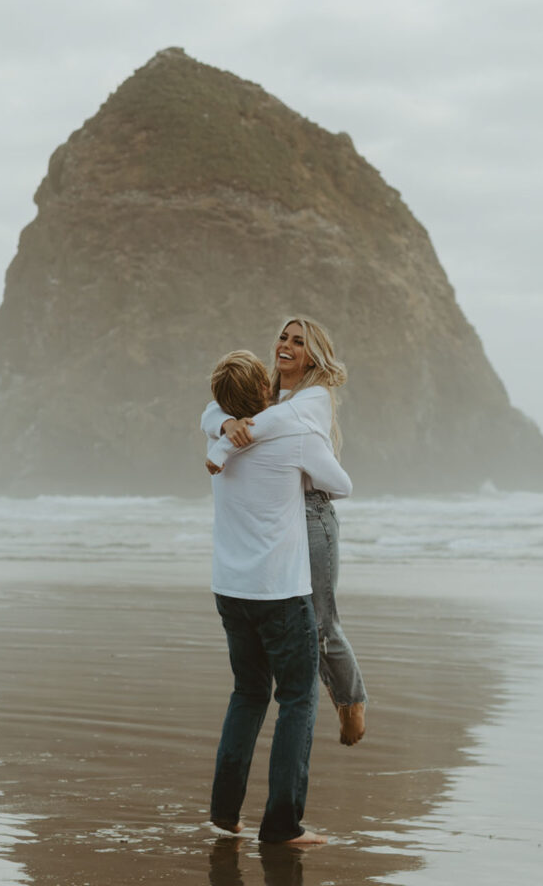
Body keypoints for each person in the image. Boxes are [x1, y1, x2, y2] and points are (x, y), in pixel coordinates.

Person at [206, 350, 352, 845]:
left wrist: (225, 422)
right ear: (267, 393)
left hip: (230, 588)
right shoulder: (295, 436)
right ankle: (283, 825)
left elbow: (210, 415)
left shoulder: (216, 435)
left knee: (247, 694)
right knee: (297, 698)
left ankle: (225, 814)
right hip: (281, 592)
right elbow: (342, 485)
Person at [201, 318, 368, 746]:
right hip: (283, 510)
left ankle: (351, 702)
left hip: (312, 512)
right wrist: (223, 424)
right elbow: (210, 408)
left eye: (299, 341)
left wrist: (226, 442)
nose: (286, 345)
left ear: (313, 355)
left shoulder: (312, 398)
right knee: (296, 619)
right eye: (282, 336)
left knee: (321, 622)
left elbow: (274, 425)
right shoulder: (269, 394)